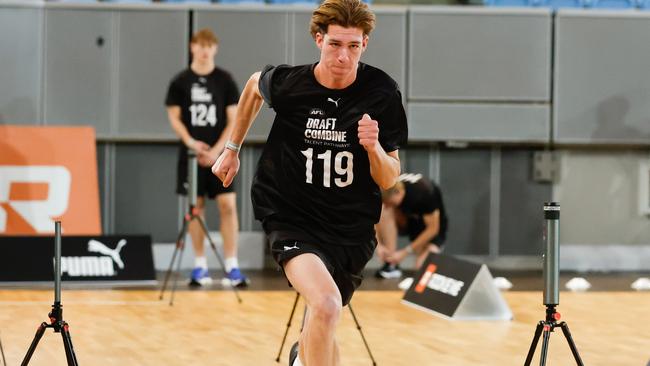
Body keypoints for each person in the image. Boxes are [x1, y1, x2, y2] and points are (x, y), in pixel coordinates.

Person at [212, 0, 408, 364]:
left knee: (325, 323)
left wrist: (374, 148)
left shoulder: (381, 92)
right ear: (319, 40)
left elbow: (389, 178)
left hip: (350, 227)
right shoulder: (292, 83)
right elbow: (255, 85)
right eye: (335, 44)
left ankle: (301, 357)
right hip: (292, 216)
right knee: (327, 304)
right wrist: (232, 148)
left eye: (353, 46)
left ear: (364, 44)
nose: (343, 56)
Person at [165, 28, 249, 287]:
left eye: (209, 45)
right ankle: (200, 265)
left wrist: (216, 151)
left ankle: (232, 265)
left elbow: (235, 118)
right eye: (199, 45)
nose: (204, 50)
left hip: (221, 153)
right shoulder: (180, 81)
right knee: (195, 208)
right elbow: (174, 118)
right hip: (191, 155)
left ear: (215, 49)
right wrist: (192, 144)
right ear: (192, 47)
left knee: (228, 205)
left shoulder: (225, 80)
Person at [375, 173, 448, 279]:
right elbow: (373, 220)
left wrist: (405, 252)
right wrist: (378, 245)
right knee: (384, 211)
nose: (387, 205)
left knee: (422, 268)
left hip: (432, 231)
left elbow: (433, 229)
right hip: (410, 222)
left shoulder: (425, 193)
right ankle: (390, 262)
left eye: (390, 202)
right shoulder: (393, 184)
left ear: (399, 193)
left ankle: (435, 257)